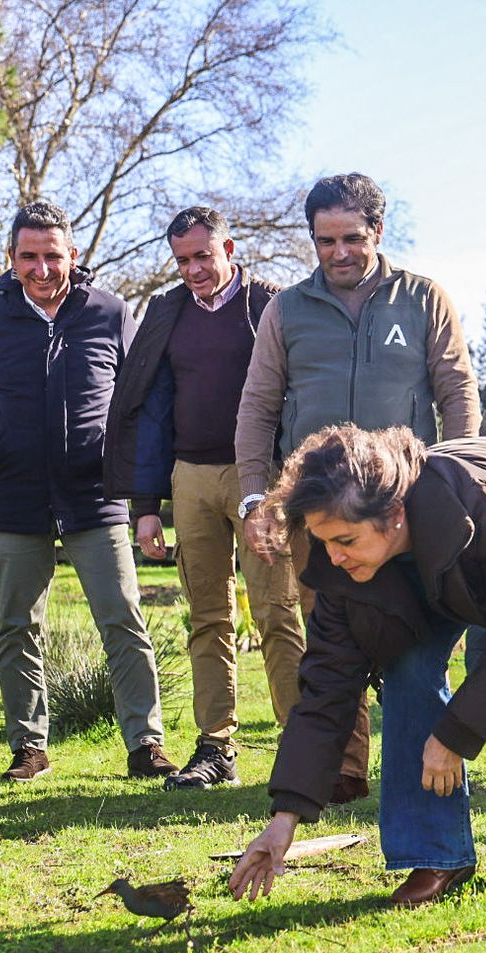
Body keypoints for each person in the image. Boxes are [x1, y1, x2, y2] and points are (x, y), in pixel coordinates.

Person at [226, 425, 486, 905]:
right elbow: (327, 686)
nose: (333, 557)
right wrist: (284, 818)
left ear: (393, 515)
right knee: (407, 668)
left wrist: (455, 736)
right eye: (324, 541)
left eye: (346, 541)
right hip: (439, 549)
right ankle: (435, 853)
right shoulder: (341, 555)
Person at [234, 173, 481, 801]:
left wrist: (455, 478)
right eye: (324, 241)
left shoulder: (422, 298)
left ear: (377, 230)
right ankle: (343, 768)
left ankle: (424, 763)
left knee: (413, 637)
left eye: (351, 238)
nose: (338, 252)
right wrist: (255, 497)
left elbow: (457, 393)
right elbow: (259, 407)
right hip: (315, 507)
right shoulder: (286, 309)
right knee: (330, 637)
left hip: (404, 504)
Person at [0, 201, 175, 782]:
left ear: (72, 256)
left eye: (52, 255)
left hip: (95, 497)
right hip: (18, 498)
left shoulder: (109, 312)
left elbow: (135, 402)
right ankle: (29, 747)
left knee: (123, 619)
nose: (41, 268)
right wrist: (12, 448)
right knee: (17, 626)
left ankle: (145, 744)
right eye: (28, 256)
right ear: (12, 258)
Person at [103, 207, 303, 789]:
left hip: (261, 478)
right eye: (182, 260)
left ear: (229, 248)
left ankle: (299, 746)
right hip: (190, 476)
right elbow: (150, 408)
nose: (192, 270)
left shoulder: (271, 304)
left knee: (277, 615)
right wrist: (145, 507)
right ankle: (217, 749)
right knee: (207, 619)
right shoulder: (165, 312)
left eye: (202, 256)